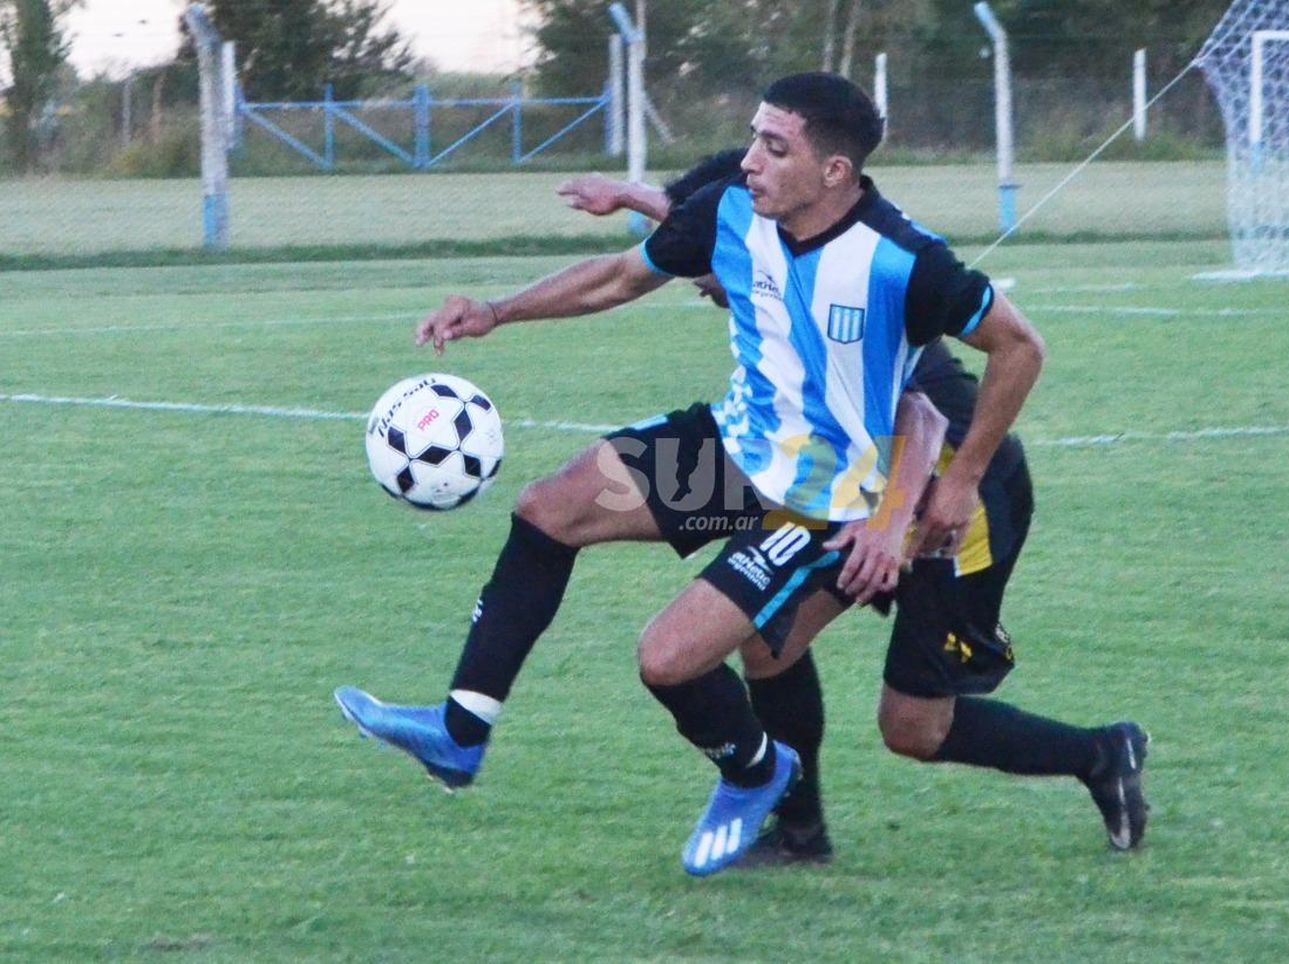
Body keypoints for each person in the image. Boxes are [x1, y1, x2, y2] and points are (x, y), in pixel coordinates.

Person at [334, 72, 1046, 876]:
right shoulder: (730, 213)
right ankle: (462, 731)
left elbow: (1018, 349)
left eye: (774, 148)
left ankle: (757, 771)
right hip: (729, 451)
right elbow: (620, 277)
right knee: (547, 509)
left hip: (817, 499)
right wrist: (496, 311)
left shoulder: (902, 262)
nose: (750, 161)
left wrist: (956, 483)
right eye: (753, 139)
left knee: (668, 660)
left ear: (834, 173)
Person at [560, 160, 1152, 862]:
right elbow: (715, 222)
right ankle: (801, 833)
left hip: (953, 502)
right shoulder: (767, 270)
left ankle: (1101, 753)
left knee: (912, 729)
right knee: (767, 641)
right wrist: (634, 197)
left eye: (703, 257)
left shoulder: (837, 279)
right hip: (855, 494)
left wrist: (922, 507)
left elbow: (931, 410)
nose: (696, 274)